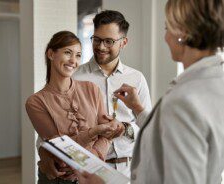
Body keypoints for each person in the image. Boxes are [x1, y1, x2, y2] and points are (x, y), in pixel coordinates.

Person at [77, 0, 224, 183]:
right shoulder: (215, 84)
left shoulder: (183, 99)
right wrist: (138, 109)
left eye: (167, 27)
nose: (166, 37)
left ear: (183, 33)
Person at [37, 10, 152, 180]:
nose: (101, 47)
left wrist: (124, 128)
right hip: (83, 171)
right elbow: (49, 128)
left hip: (126, 170)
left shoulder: (137, 79)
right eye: (97, 39)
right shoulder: (74, 76)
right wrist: (44, 154)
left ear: (123, 42)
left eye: (109, 41)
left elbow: (147, 126)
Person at [25, 31, 122, 184]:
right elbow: (61, 148)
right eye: (68, 53)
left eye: (78, 55)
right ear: (51, 54)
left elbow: (107, 133)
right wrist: (94, 132)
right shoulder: (36, 102)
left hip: (93, 175)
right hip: (58, 180)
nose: (73, 61)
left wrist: (93, 160)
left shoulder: (92, 89)